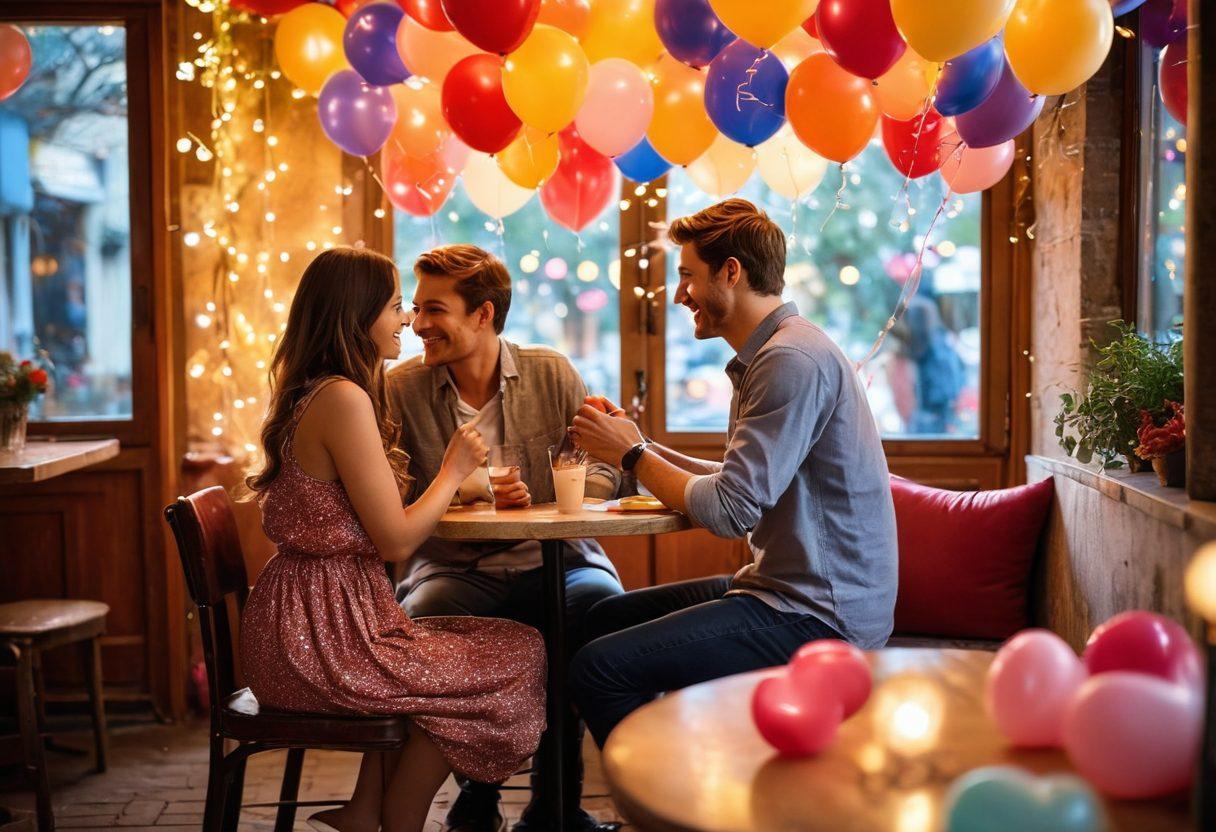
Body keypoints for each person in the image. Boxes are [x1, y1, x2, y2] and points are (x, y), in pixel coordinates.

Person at [568, 198, 898, 747]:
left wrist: (632, 456)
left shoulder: (788, 359)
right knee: (595, 622)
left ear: (731, 272)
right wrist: (642, 444)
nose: (678, 296)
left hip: (822, 616)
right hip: (787, 590)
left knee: (600, 668)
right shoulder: (776, 351)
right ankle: (575, 807)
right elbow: (736, 481)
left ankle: (666, 808)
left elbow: (729, 510)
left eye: (687, 277)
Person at [239, 247, 546, 832]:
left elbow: (377, 521)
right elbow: (397, 541)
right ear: (357, 316)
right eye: (397, 306)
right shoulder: (343, 399)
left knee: (481, 653)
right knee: (513, 656)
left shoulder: (323, 390)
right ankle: (402, 816)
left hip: (313, 621)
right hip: (319, 638)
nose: (406, 320)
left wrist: (461, 485)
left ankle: (366, 811)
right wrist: (454, 469)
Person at [387, 244, 624, 832]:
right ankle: (477, 795)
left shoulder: (552, 372)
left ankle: (557, 805)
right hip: (452, 569)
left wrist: (553, 497)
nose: (418, 325)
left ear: (484, 314)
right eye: (414, 309)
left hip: (562, 559)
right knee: (428, 614)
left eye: (433, 310)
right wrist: (467, 492)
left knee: (595, 610)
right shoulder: (400, 388)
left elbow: (606, 467)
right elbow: (391, 489)